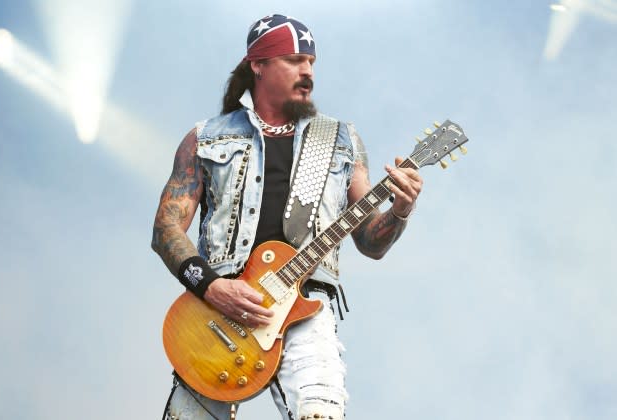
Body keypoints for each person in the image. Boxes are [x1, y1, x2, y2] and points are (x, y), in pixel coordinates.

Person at [152, 14, 423, 420]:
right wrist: (210, 287)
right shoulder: (205, 137)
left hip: (306, 305)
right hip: (218, 312)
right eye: (294, 60)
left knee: (321, 414)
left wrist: (400, 210)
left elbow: (370, 241)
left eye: (311, 61)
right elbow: (166, 228)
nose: (307, 71)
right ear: (257, 65)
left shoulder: (339, 139)